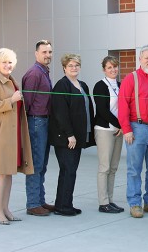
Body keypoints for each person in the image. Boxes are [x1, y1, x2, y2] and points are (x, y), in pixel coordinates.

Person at [0, 48, 34, 225]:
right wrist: (11, 100)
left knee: (9, 173)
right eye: (4, 62)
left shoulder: (13, 81)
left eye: (10, 62)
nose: (8, 65)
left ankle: (6, 209)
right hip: (1, 134)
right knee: (2, 174)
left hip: (14, 133)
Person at [118, 45, 148, 218]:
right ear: (140, 59)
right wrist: (126, 130)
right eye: (146, 58)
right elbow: (123, 105)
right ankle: (135, 203)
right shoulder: (132, 78)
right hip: (137, 128)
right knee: (134, 169)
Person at [48, 54, 95, 216]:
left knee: (71, 170)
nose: (74, 68)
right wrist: (70, 134)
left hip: (78, 137)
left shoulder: (82, 85)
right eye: (70, 65)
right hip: (67, 138)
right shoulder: (62, 85)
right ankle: (62, 207)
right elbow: (60, 113)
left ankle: (66, 203)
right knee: (68, 170)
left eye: (76, 65)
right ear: (64, 68)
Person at [22, 39, 54, 217]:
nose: (48, 55)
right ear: (36, 54)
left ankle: (40, 200)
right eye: (44, 52)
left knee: (42, 164)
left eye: (50, 52)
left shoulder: (44, 71)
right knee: (36, 164)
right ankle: (33, 203)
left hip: (44, 122)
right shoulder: (34, 74)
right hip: (36, 122)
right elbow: (26, 103)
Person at [93, 56, 125, 214]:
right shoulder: (100, 86)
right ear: (104, 69)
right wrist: (120, 124)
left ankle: (110, 200)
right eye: (109, 67)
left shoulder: (120, 85)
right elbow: (102, 110)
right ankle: (103, 202)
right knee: (104, 167)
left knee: (113, 168)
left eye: (115, 67)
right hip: (105, 130)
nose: (113, 70)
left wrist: (122, 126)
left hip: (118, 131)